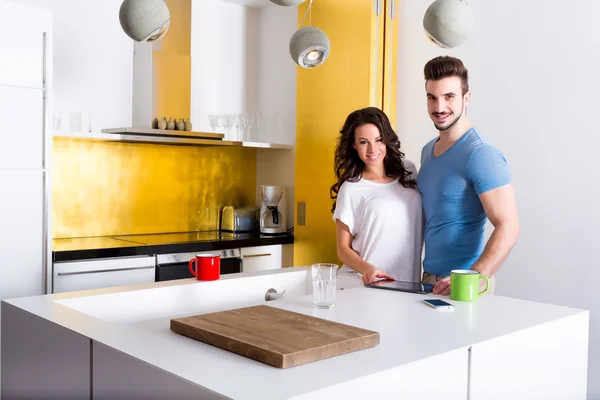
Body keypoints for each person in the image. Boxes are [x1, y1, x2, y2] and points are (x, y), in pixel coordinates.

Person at [418, 56, 520, 295]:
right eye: (432, 97)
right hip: (428, 282)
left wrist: (474, 278)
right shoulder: (427, 151)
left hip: (464, 285)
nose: (439, 107)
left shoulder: (481, 154)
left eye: (449, 97)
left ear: (466, 98)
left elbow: (509, 225)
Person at [330, 107, 423, 284]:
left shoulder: (409, 171)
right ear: (354, 145)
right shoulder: (351, 188)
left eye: (378, 140)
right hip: (367, 282)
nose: (373, 149)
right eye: (364, 142)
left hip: (408, 282)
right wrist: (369, 269)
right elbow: (343, 249)